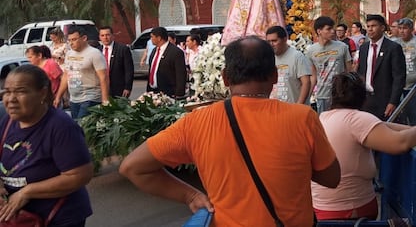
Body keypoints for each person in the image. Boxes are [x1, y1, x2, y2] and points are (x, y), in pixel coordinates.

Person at [120, 36, 341, 226]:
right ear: (275, 76)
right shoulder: (302, 118)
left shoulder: (198, 121)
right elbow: (332, 178)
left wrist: (191, 196)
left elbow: (132, 167)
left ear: (225, 78)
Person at [312, 72, 416, 220]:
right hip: (348, 212)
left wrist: (411, 129)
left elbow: (379, 127)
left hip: (322, 209)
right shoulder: (357, 119)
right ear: (364, 97)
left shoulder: (324, 116)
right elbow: (400, 143)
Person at [1, 64, 93, 226]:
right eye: (7, 92)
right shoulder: (7, 122)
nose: (11, 99)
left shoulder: (61, 126)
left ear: (42, 93)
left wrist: (27, 192)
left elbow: (80, 175)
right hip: (21, 217)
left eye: (21, 91)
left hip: (59, 217)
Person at [356, 14, 406, 120]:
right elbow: (361, 72)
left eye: (373, 26)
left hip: (385, 100)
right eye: (368, 26)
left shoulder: (393, 48)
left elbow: (399, 77)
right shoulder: (364, 48)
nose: (370, 29)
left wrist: (393, 102)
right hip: (366, 99)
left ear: (382, 28)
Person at [53, 27, 109, 119]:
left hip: (91, 98)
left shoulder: (94, 54)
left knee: (82, 126)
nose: (71, 43)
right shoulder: (69, 54)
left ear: (84, 38)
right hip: (74, 99)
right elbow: (66, 76)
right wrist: (58, 96)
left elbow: (103, 77)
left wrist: (105, 100)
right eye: (69, 40)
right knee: (77, 128)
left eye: (74, 39)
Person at [307, 16, 353, 114]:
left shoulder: (342, 47)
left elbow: (350, 71)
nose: (333, 31)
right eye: (328, 29)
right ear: (319, 31)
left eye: (333, 28)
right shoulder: (311, 50)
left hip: (340, 94)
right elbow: (313, 76)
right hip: (322, 95)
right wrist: (307, 97)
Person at [266, 26, 312, 104]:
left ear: (284, 39)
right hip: (274, 108)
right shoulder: (267, 58)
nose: (271, 44)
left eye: (274, 41)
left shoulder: (297, 56)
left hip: (293, 107)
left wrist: (299, 105)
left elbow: (306, 82)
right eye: (268, 42)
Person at [145, 27, 187, 99]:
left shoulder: (175, 52)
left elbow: (181, 74)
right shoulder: (154, 51)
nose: (151, 39)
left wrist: (179, 93)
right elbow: (152, 69)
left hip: (169, 93)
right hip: (153, 92)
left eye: (152, 37)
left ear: (159, 38)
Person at [98, 26, 134, 98]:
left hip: (118, 89)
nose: (105, 37)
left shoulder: (123, 49)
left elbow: (129, 70)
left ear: (112, 35)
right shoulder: (97, 51)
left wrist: (127, 87)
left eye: (107, 35)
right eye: (102, 35)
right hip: (101, 89)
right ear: (99, 37)